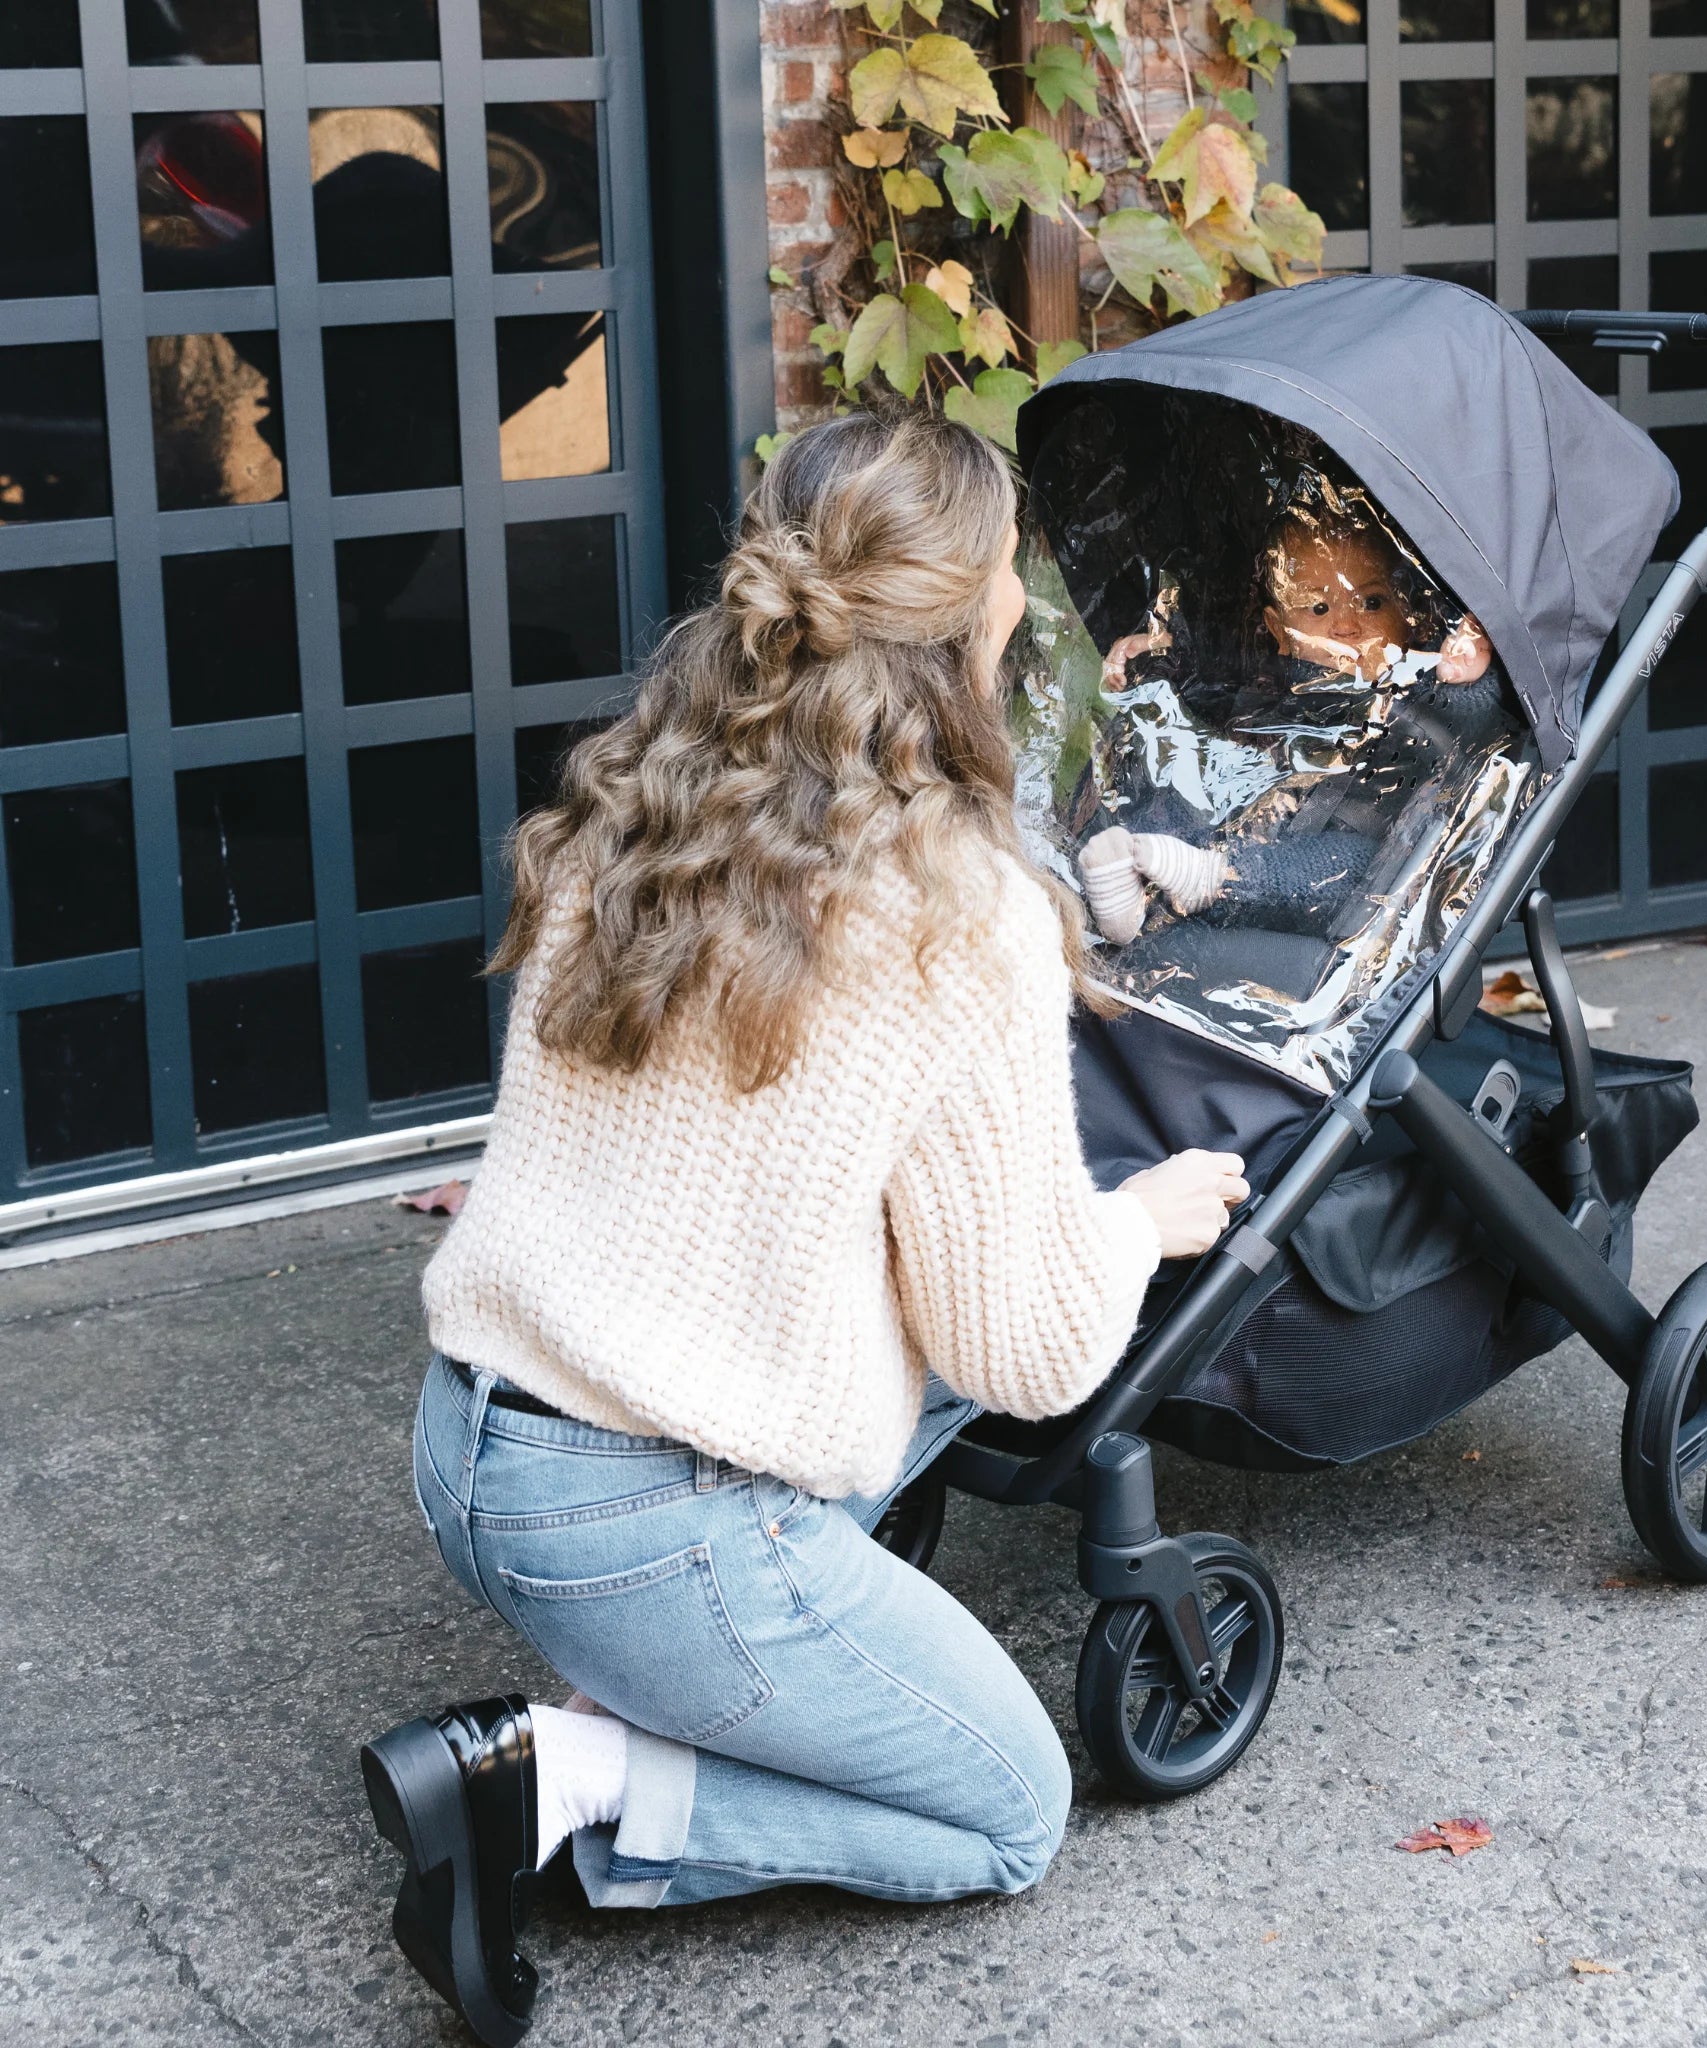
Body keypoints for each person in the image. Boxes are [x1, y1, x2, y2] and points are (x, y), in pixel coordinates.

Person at [357, 413, 1249, 2048]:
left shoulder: (631, 800)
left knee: (890, 1328)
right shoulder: (956, 902)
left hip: (473, 1435)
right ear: (977, 614)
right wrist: (1131, 1222)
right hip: (644, 1512)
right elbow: (1024, 1349)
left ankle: (666, 1673)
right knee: (1007, 1812)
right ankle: (554, 1777)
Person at [1076, 506, 1505, 947]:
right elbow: (1217, 668)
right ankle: (1131, 877)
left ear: (1407, 612)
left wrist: (1463, 674)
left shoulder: (1414, 680)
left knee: (1354, 870)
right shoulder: (1280, 672)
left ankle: (1208, 880)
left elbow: (1468, 717)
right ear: (1279, 630)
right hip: (1257, 807)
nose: (1346, 625)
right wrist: (1161, 651)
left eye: (1372, 602)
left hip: (1340, 837)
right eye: (1319, 608)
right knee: (1181, 773)